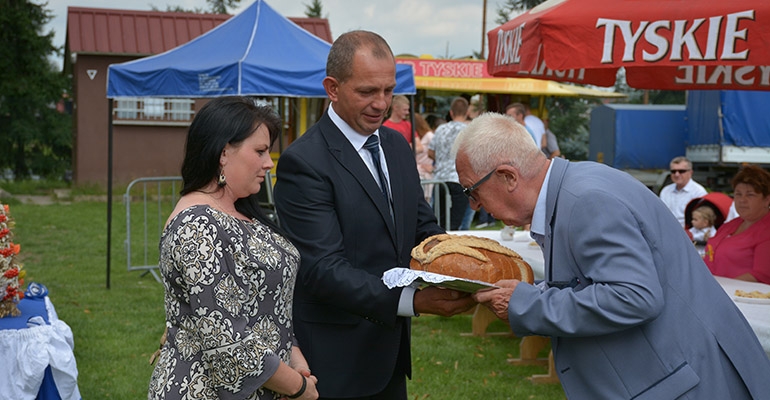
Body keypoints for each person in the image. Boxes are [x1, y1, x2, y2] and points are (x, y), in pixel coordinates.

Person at [455, 112, 770, 399]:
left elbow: (634, 296)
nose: (474, 206)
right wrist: (537, 291)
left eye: (472, 191)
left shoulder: (585, 201)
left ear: (508, 176)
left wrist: (525, 303)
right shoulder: (575, 189)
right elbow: (594, 282)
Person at [273, 30, 475, 400]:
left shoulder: (396, 146)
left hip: (390, 360)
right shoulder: (303, 162)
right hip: (334, 364)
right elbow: (322, 269)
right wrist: (412, 301)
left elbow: (422, 227)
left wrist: (465, 267)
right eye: (367, 92)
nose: (381, 103)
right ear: (332, 88)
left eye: (388, 90)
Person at [148, 96, 319, 400]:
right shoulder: (196, 225)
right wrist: (299, 388)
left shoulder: (239, 211)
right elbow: (226, 342)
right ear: (224, 153)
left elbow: (265, 300)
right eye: (260, 151)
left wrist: (294, 357)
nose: (269, 162)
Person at [704, 165, 770, 284]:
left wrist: (720, 289)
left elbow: (762, 275)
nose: (742, 200)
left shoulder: (767, 231)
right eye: (738, 194)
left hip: (743, 298)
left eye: (750, 195)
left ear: (767, 200)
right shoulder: (729, 226)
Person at [429, 97, 472, 230]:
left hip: (440, 180)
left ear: (451, 112)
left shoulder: (441, 129)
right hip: (460, 180)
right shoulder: (470, 130)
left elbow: (430, 153)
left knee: (439, 223)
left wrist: (443, 158)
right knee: (457, 225)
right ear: (467, 112)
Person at [659, 156, 708, 227]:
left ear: (690, 172)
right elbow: (660, 214)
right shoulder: (666, 190)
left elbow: (701, 219)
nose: (677, 174)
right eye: (673, 171)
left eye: (681, 171)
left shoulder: (699, 192)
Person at [413, 113, 434, 202]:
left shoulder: (429, 136)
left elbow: (437, 151)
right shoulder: (415, 138)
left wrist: (434, 168)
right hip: (418, 171)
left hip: (426, 172)